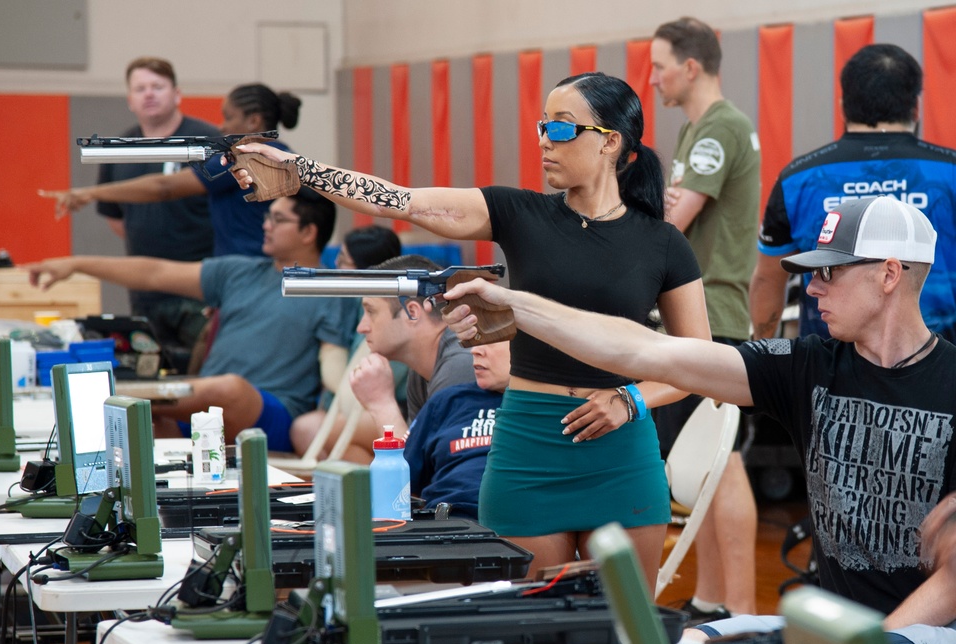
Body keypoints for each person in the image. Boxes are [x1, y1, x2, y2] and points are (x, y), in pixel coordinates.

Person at [441, 196, 956, 644]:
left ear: (889, 275)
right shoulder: (809, 366)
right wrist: (515, 305)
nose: (812, 289)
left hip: (926, 641)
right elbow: (649, 350)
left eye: (828, 272)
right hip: (833, 629)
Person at [233, 71, 711, 587]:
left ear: (610, 142)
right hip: (529, 444)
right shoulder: (519, 213)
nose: (546, 141)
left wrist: (629, 400)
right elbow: (402, 200)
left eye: (563, 129)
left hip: (620, 452)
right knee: (531, 621)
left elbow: (699, 363)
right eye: (542, 127)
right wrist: (300, 169)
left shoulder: (662, 244)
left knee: (624, 629)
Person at [26, 189, 354, 452]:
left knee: (231, 388)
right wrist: (75, 264)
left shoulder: (329, 290)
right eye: (267, 216)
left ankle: (106, 391)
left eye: (278, 219)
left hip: (270, 415)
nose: (266, 224)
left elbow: (334, 366)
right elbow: (155, 273)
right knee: (141, 424)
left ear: (309, 232)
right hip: (202, 410)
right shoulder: (238, 272)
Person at [648, 17, 762, 621]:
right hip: (701, 313)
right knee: (708, 466)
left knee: (723, 461)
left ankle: (740, 612)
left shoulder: (721, 127)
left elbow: (672, 224)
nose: (653, 76)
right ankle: (713, 600)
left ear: (690, 67)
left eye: (659, 64)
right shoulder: (702, 127)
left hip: (712, 314)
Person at [751, 43, 956, 344]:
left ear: (843, 105)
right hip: (942, 368)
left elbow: (768, 278)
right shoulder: (950, 172)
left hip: (828, 372)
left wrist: (763, 348)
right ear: (915, 106)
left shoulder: (798, 179)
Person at [63, 57, 222, 355]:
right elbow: (116, 219)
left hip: (200, 284)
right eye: (140, 88)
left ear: (177, 94)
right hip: (144, 292)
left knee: (205, 369)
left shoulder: (209, 140)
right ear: (129, 100)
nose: (149, 94)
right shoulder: (117, 149)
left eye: (157, 87)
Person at [39, 82, 299, 260]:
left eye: (228, 117)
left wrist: (91, 193)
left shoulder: (245, 155)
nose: (221, 126)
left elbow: (165, 187)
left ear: (253, 120)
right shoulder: (282, 152)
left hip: (247, 270)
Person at [339, 255, 476, 463]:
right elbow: (419, 464)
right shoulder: (421, 370)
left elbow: (422, 477)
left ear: (412, 312)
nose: (362, 327)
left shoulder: (460, 365)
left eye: (371, 312)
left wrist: (381, 404)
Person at [289, 224, 407, 457]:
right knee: (309, 430)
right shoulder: (345, 304)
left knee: (325, 430)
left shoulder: (394, 312)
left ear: (366, 270)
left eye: (342, 261)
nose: (335, 267)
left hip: (392, 411)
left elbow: (359, 391)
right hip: (348, 405)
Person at [405, 339, 510, 521]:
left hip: (517, 522)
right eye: (475, 340)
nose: (475, 350)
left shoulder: (547, 405)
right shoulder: (447, 401)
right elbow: (402, 480)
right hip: (448, 520)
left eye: (491, 341)